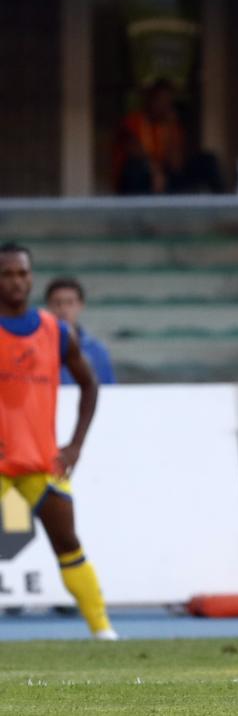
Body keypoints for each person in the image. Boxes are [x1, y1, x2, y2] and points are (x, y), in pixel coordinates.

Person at [0, 243, 116, 640]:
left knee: (67, 541)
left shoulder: (54, 331)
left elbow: (89, 383)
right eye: (7, 274)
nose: (16, 281)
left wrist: (75, 446)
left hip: (39, 461)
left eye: (22, 273)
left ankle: (103, 631)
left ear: (31, 278)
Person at [44, 277, 116, 385]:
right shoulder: (35, 348)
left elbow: (109, 392)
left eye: (69, 303)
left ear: (81, 305)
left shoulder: (97, 351)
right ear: (48, 306)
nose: (63, 309)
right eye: (57, 303)